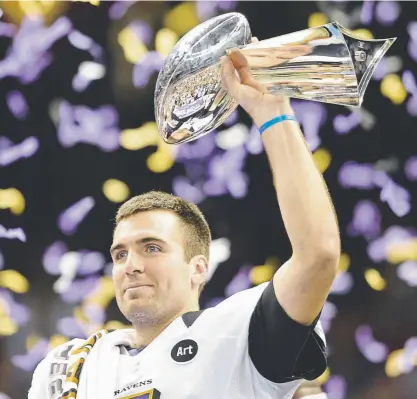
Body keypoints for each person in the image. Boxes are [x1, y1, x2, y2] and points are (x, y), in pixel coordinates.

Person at [28, 47, 340, 399]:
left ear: (198, 269)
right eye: (120, 255)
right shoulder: (70, 366)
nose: (131, 266)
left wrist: (274, 113)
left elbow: (318, 255)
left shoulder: (237, 339)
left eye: (151, 247)